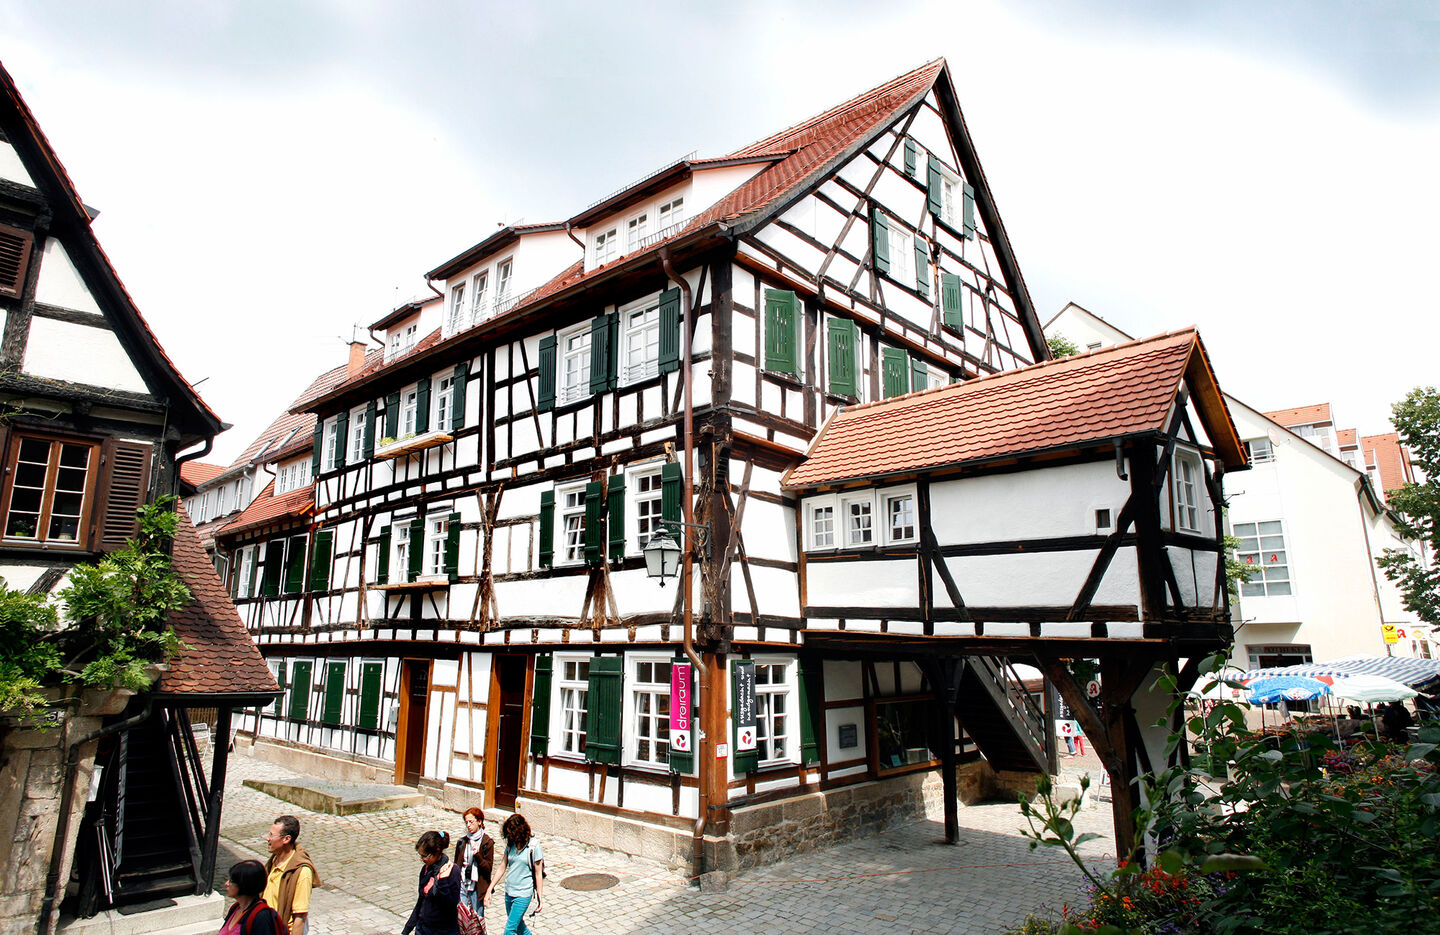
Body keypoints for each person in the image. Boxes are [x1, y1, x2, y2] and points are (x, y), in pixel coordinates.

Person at [484, 814, 544, 935]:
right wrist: (489, 889)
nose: (510, 837)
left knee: (509, 930)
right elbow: (502, 867)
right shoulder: (511, 845)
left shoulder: (533, 846)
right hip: (509, 891)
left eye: (512, 833)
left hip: (523, 894)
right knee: (519, 926)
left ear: (520, 830)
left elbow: (538, 874)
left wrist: (540, 898)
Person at [263, 815, 320, 935]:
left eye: (272, 835)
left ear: (286, 839)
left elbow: (300, 917)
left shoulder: (301, 872)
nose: (267, 838)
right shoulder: (273, 861)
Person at [402, 830, 461, 935]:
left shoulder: (453, 871)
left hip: (444, 931)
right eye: (420, 855)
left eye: (425, 856)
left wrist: (443, 880)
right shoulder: (425, 870)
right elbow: (421, 902)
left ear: (437, 852)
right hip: (423, 929)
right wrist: (407, 929)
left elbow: (451, 904)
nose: (422, 859)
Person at [218, 860, 284, 935]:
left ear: (244, 885)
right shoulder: (235, 908)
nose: (226, 883)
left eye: (232, 881)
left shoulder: (261, 917)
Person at [454, 807, 493, 920]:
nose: (468, 825)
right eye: (466, 822)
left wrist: (477, 855)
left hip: (477, 886)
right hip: (462, 883)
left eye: (471, 822)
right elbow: (457, 864)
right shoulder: (462, 841)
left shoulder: (487, 842)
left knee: (477, 919)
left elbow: (488, 868)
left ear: (479, 822)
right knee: (462, 918)